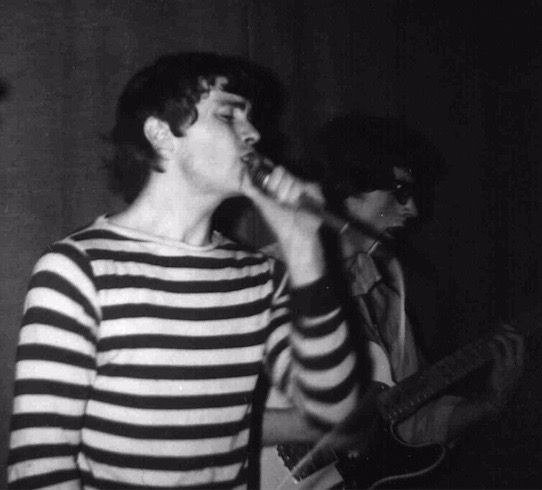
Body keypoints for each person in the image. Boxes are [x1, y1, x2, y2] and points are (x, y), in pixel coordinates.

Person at [7, 53, 360, 489]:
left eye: (250, 118)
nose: (253, 133)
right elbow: (40, 468)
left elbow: (335, 415)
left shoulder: (262, 278)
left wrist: (303, 245)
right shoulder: (77, 270)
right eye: (228, 115)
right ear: (162, 135)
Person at [258, 113, 526, 489]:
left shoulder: (384, 299)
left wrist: (487, 403)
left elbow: (412, 422)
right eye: (399, 191)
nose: (412, 209)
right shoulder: (256, 282)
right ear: (343, 189)